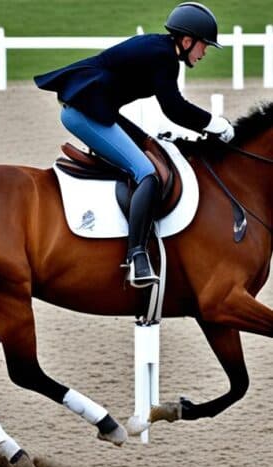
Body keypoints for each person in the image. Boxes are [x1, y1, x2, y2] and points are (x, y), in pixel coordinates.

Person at [34, 2, 235, 288]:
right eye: (204, 45)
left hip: (97, 109)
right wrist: (216, 124)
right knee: (146, 173)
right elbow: (174, 108)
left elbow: (167, 109)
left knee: (150, 146)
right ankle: (137, 257)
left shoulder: (160, 50)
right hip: (85, 112)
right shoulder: (163, 57)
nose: (204, 53)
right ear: (187, 40)